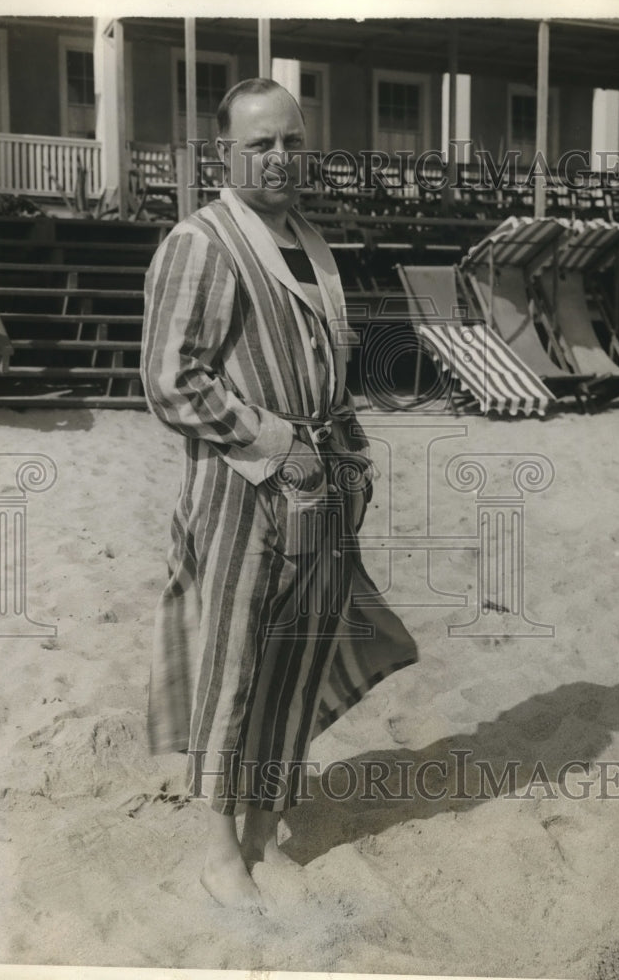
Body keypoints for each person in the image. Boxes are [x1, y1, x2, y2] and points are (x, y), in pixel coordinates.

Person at [140, 78, 418, 910]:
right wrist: (272, 441)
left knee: (297, 656)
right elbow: (168, 380)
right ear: (223, 152)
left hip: (322, 479)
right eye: (260, 144)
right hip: (241, 489)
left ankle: (264, 832)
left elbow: (326, 368)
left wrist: (351, 453)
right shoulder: (203, 242)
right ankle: (216, 847)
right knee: (234, 658)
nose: (280, 158)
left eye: (292, 141)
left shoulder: (310, 241)